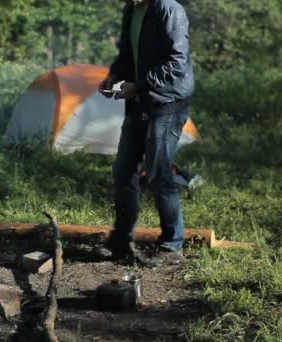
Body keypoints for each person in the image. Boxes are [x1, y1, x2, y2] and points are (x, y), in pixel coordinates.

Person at [99, 0, 194, 266]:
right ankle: (122, 242)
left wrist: (138, 86)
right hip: (139, 100)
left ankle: (171, 247)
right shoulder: (132, 9)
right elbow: (128, 52)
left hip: (166, 104)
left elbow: (176, 62)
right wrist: (113, 76)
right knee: (123, 170)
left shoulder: (169, 10)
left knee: (158, 174)